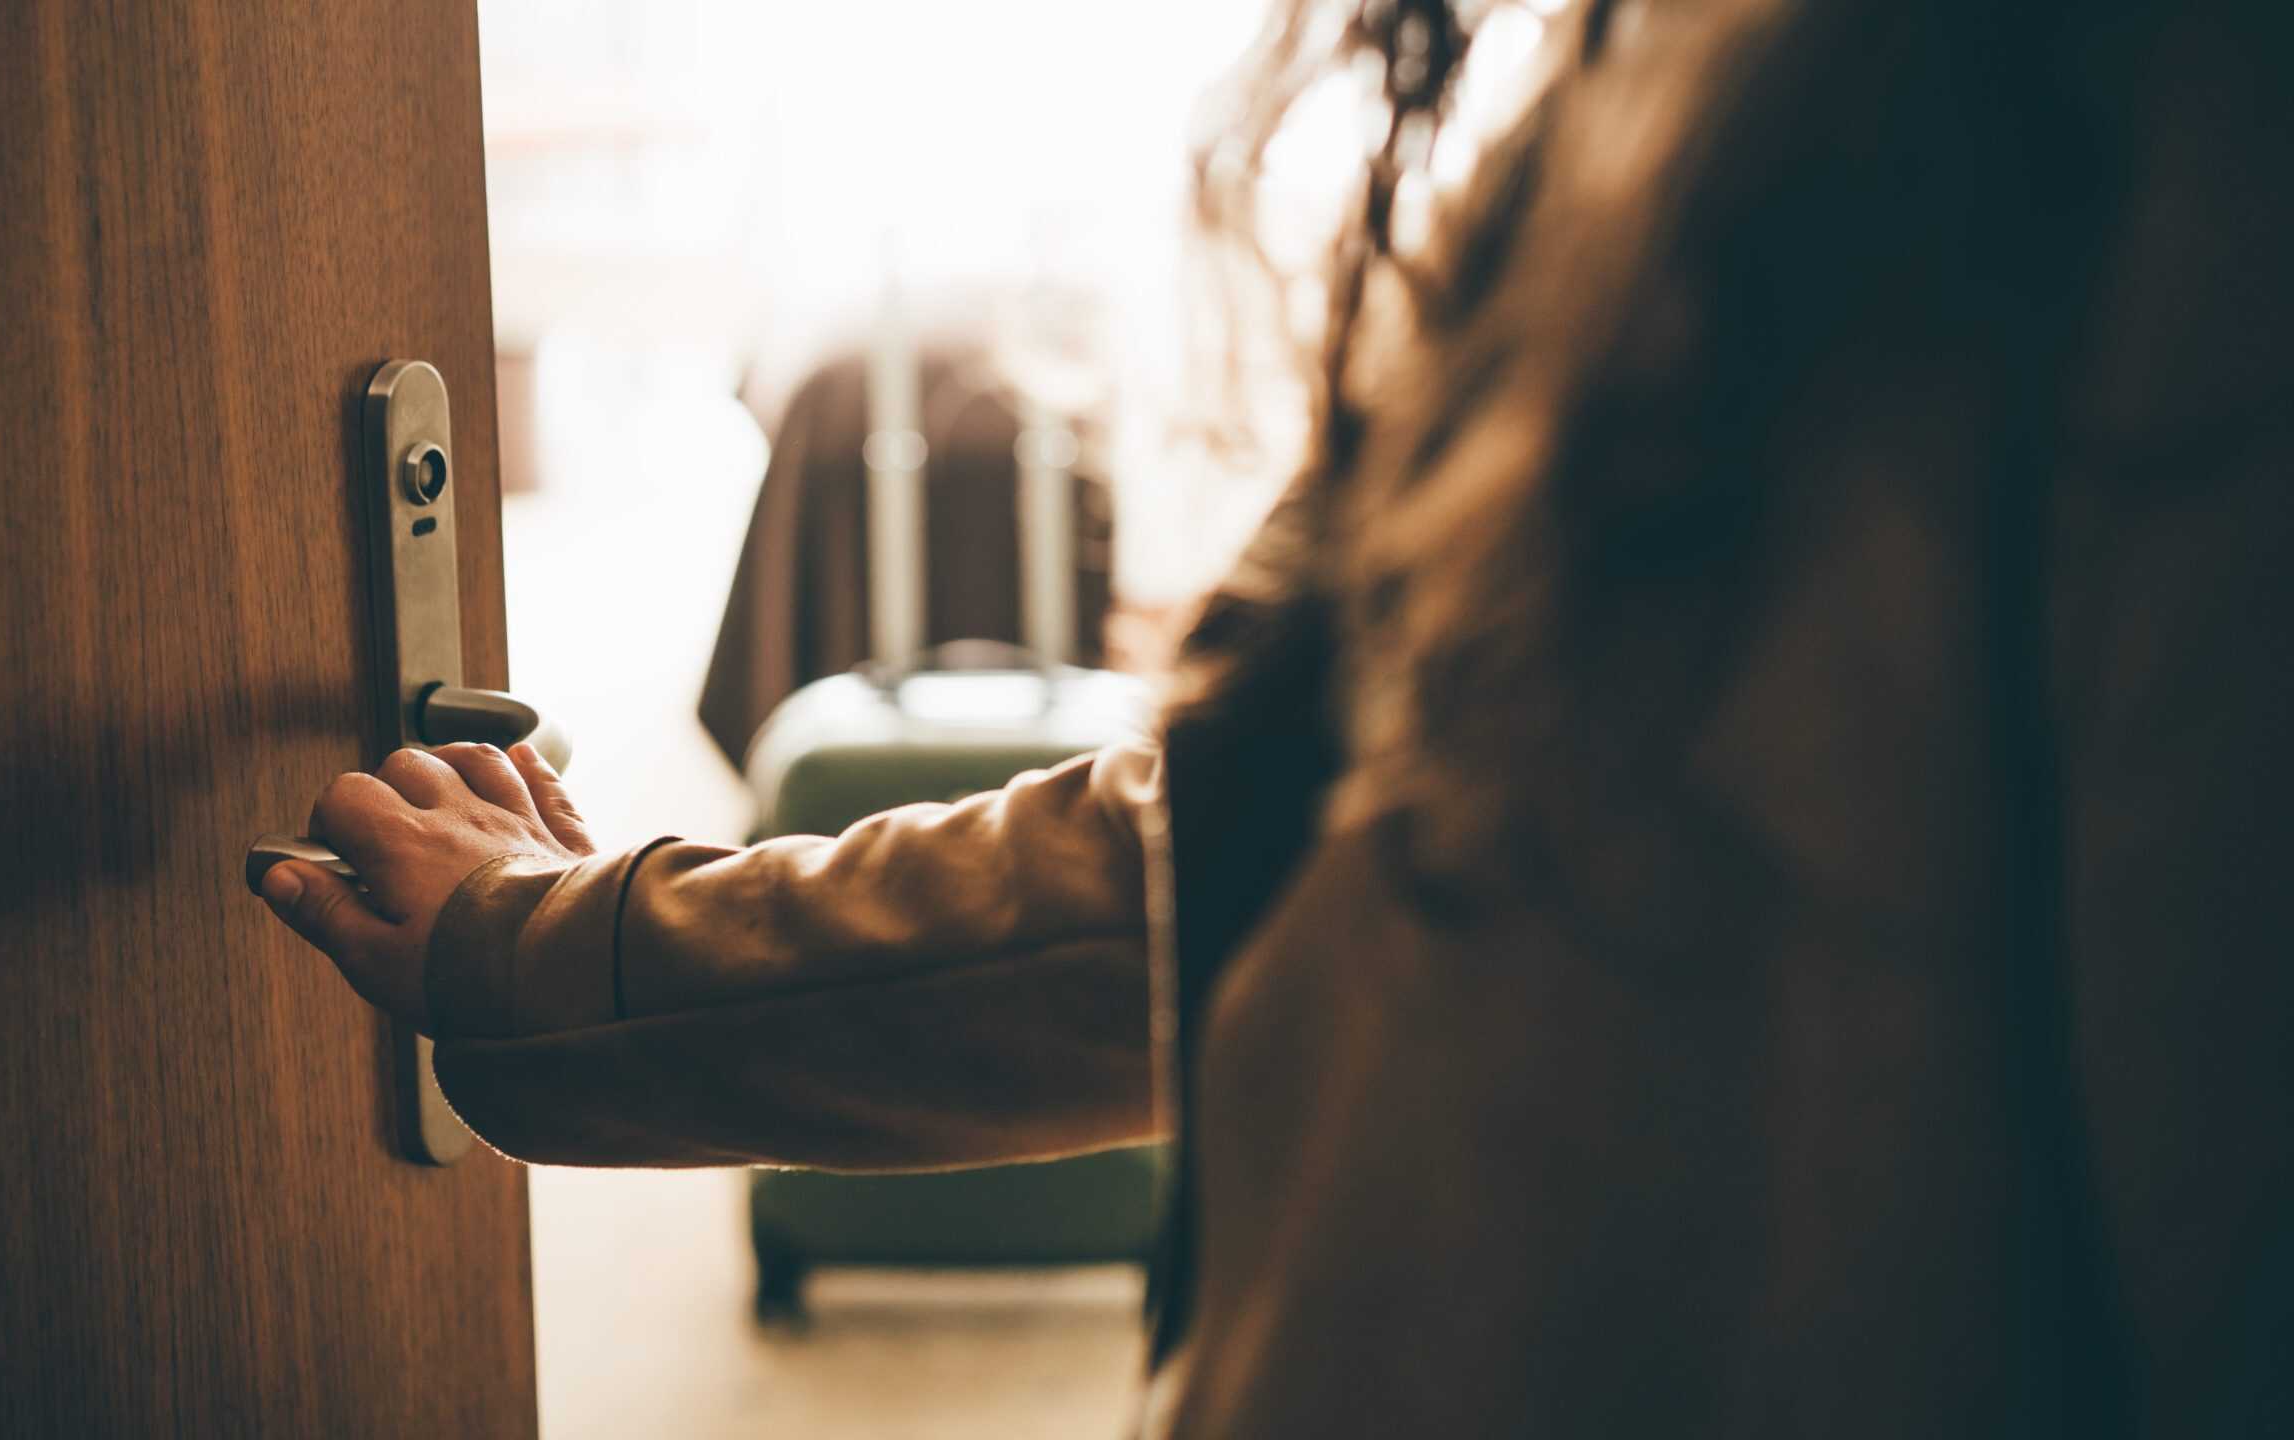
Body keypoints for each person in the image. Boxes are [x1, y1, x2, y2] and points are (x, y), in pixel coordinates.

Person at [256, 0, 2292, 1432]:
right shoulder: (1660, 119)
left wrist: (567, 951)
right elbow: (1224, 856)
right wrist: (556, 951)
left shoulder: (2166, 190)